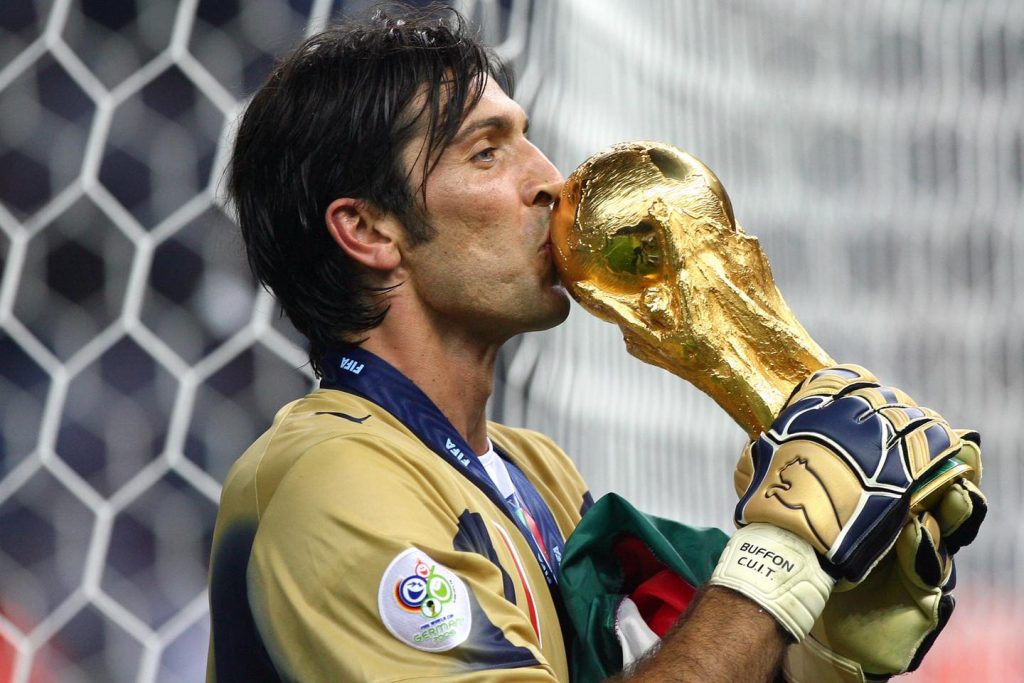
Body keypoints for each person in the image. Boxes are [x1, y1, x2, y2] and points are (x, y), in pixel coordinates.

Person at [207, 7, 984, 682]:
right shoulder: (329, 481)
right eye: (487, 152)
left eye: (528, 139)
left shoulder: (533, 472)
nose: (550, 180)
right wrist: (780, 547)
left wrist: (837, 608)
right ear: (369, 230)